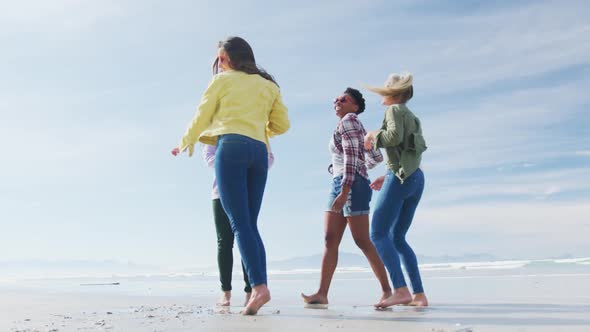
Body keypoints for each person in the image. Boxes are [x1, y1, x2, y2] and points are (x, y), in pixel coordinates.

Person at [171, 36, 289, 315]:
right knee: (250, 224)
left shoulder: (221, 82)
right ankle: (258, 289)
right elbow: (283, 124)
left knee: (239, 224)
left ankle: (259, 288)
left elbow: (201, 117)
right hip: (259, 150)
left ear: (226, 59)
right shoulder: (268, 85)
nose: (218, 63)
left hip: (232, 147)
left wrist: (186, 141)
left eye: (220, 58)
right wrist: (257, 128)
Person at [301, 88, 392, 308]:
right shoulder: (349, 124)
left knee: (361, 240)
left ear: (355, 107)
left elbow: (353, 156)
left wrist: (345, 189)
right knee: (330, 239)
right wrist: (343, 168)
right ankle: (322, 293)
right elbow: (375, 156)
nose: (337, 101)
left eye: (344, 99)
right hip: (342, 181)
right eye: (336, 99)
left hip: (349, 185)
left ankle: (388, 291)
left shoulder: (349, 120)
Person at [364, 72, 429, 308]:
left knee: (378, 234)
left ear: (393, 94)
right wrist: (388, 174)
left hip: (401, 179)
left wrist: (372, 135)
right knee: (398, 238)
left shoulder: (393, 110)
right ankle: (419, 295)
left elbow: (393, 137)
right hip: (416, 179)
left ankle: (400, 290)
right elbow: (408, 150)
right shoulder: (413, 117)